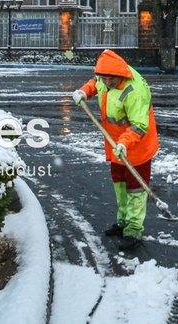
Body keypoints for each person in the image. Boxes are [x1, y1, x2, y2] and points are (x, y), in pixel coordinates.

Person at [72, 49, 158, 251]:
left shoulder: (134, 92)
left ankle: (134, 229)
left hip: (137, 146)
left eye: (109, 79)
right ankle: (123, 222)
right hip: (115, 145)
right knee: (120, 186)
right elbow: (96, 83)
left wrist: (125, 143)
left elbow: (139, 125)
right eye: (104, 78)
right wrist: (85, 91)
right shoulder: (106, 77)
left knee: (135, 189)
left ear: (119, 75)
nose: (106, 83)